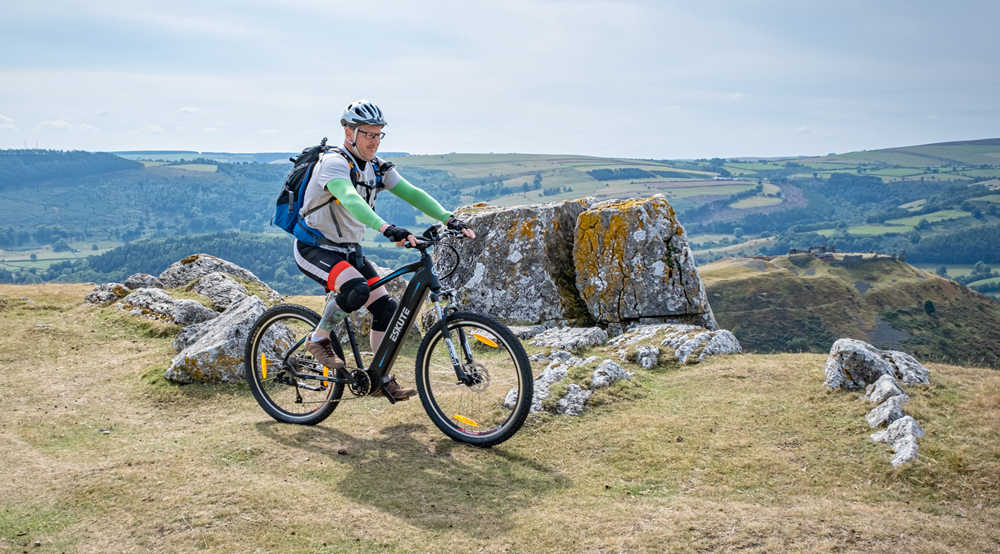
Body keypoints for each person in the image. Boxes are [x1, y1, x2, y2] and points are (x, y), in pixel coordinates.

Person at [293, 99, 475, 401]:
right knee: (355, 290)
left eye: (379, 135)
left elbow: (412, 193)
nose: (375, 141)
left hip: (349, 250)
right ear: (349, 132)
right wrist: (387, 228)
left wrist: (449, 218)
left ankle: (380, 377)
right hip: (314, 248)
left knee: (386, 309)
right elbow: (351, 199)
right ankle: (318, 338)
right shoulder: (334, 164)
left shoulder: (376, 168)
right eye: (368, 134)